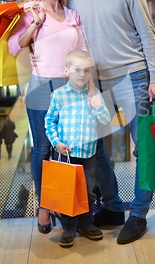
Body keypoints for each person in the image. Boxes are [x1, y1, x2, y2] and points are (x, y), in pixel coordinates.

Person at [64, 0, 155, 245]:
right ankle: (111, 206)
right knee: (91, 146)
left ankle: (138, 214)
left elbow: (147, 33)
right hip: (95, 83)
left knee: (145, 147)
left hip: (133, 75)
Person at [8, 0, 89, 236]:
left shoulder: (72, 15)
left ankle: (62, 203)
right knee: (43, 148)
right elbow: (12, 47)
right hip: (41, 86)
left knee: (62, 148)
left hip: (69, 89)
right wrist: (35, 25)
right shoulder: (31, 11)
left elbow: (83, 51)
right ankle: (44, 206)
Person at [45, 49, 111, 248]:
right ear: (66, 71)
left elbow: (107, 120)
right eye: (77, 70)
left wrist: (98, 105)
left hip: (88, 154)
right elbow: (49, 122)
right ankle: (68, 227)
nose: (82, 74)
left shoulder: (94, 94)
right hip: (66, 155)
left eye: (87, 71)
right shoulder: (59, 95)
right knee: (67, 191)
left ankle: (86, 223)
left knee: (88, 192)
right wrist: (56, 142)